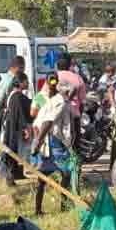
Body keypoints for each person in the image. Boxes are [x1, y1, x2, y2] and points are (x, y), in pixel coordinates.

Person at [29, 73, 74, 215]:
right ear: (48, 83)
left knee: (62, 174)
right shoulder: (50, 100)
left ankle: (62, 206)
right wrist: (38, 141)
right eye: (50, 81)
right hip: (51, 142)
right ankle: (42, 209)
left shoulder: (59, 100)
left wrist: (38, 140)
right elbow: (44, 122)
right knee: (62, 174)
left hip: (53, 140)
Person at [0, 71, 33, 185]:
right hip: (13, 131)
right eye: (26, 81)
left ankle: (15, 175)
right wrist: (26, 129)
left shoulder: (13, 95)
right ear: (21, 82)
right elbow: (22, 115)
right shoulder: (18, 97)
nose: (28, 83)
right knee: (13, 153)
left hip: (11, 130)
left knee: (13, 153)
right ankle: (10, 178)